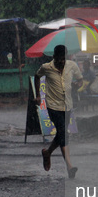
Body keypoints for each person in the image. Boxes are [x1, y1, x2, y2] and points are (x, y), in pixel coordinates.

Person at [36, 45, 83, 179]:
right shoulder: (46, 67)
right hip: (52, 106)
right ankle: (69, 166)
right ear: (54, 57)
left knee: (62, 134)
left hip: (67, 106)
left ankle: (48, 152)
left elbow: (80, 81)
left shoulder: (72, 66)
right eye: (59, 59)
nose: (62, 62)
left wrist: (77, 85)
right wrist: (38, 96)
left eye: (64, 59)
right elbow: (37, 76)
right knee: (63, 132)